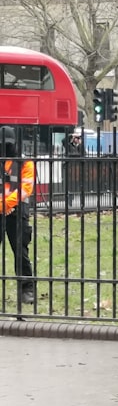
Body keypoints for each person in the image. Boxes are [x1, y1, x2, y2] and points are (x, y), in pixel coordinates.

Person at [1, 127, 36, 306]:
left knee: (20, 252)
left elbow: (25, 189)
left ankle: (27, 289)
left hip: (17, 211)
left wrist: (5, 205)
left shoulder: (25, 164)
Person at [65, 128, 85, 209]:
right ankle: (69, 203)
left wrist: (80, 144)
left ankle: (81, 203)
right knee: (70, 187)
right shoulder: (69, 146)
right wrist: (71, 135)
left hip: (79, 169)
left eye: (78, 138)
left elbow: (83, 154)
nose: (77, 139)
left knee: (81, 187)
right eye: (76, 138)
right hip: (71, 169)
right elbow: (64, 140)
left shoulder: (80, 146)